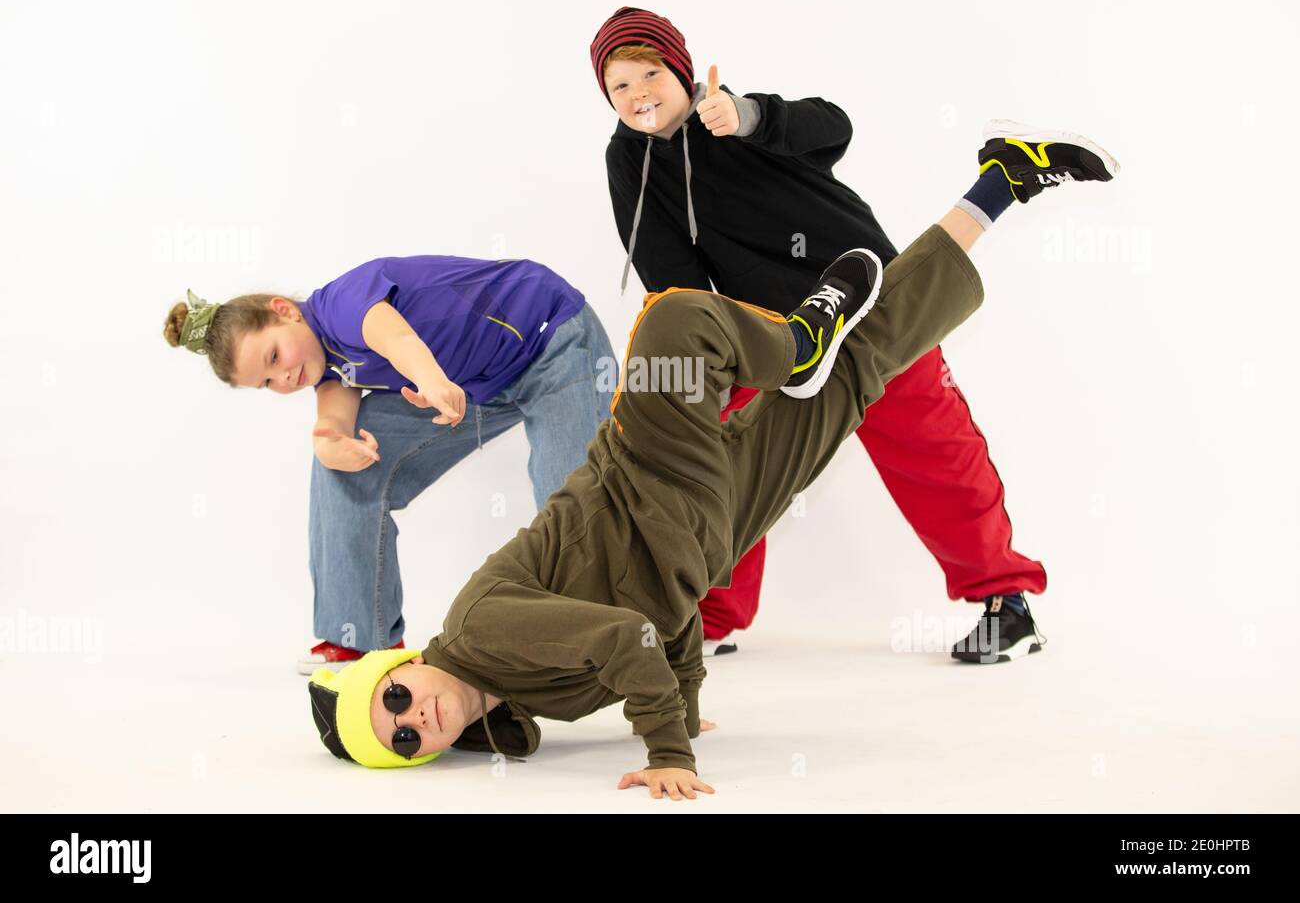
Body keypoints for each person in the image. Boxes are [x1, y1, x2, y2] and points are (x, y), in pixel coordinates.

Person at [308, 121, 1119, 798]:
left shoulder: (479, 626)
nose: (420, 716)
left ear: (400, 662)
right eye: (406, 738)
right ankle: (1002, 183)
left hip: (644, 465)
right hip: (716, 522)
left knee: (672, 328)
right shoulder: (521, 704)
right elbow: (665, 622)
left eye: (397, 698)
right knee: (868, 361)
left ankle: (798, 341)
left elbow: (629, 636)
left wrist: (670, 750)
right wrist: (688, 702)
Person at [592, 6, 1048, 661]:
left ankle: (1006, 600)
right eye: (620, 86)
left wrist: (747, 117)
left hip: (865, 298)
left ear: (680, 69)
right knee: (730, 464)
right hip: (769, 335)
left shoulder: (732, 112)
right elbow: (669, 270)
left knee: (932, 448)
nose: (639, 94)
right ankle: (714, 614)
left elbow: (834, 127)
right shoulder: (626, 159)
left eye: (650, 73)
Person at [161, 254, 617, 671]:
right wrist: (329, 444)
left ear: (283, 310)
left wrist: (431, 380)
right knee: (342, 467)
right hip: (474, 385)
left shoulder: (342, 303)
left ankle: (664, 611)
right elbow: (333, 420)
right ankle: (358, 640)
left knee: (572, 498)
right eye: (266, 382)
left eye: (274, 356)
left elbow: (393, 335)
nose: (283, 377)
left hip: (551, 341)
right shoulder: (330, 368)